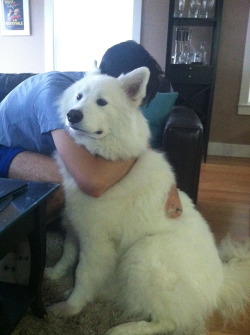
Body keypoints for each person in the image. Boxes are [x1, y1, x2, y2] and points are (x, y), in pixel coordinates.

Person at [0, 40, 182, 221]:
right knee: (69, 185)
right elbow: (93, 183)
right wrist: (135, 149)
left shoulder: (97, 94)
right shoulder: (58, 95)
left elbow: (138, 140)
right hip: (4, 148)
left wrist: (170, 187)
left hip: (38, 148)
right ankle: (13, 239)